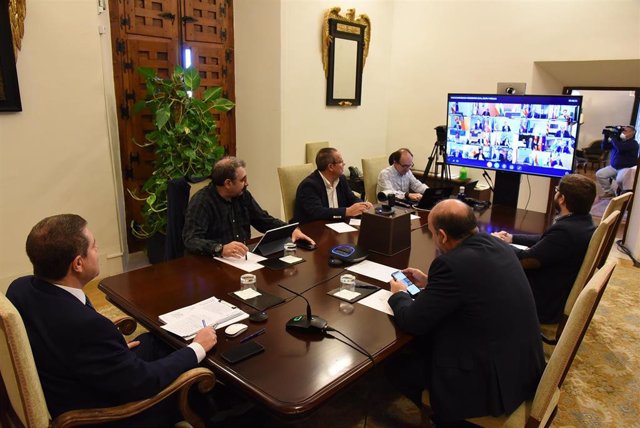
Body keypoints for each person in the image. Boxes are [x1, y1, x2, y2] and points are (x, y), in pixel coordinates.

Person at [6, 214, 218, 426]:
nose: (98, 252)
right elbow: (145, 382)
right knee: (207, 387)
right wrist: (198, 347)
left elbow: (60, 340)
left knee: (157, 341)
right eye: (94, 247)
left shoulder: (20, 288)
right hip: (107, 412)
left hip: (75, 374)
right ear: (78, 263)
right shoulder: (87, 326)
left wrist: (104, 353)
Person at [387, 199, 544, 423]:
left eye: (431, 234)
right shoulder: (498, 245)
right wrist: (431, 282)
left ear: (442, 235)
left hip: (488, 383)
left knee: (396, 364)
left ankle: (443, 419)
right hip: (522, 366)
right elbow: (477, 284)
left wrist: (399, 294)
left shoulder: (451, 264)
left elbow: (413, 321)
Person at [492, 174, 596, 323]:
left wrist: (497, 243)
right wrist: (511, 238)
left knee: (489, 267)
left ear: (562, 199)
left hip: (541, 302)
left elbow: (526, 260)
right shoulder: (583, 223)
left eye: (557, 190)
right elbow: (546, 240)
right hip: (554, 288)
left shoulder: (565, 232)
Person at [183, 156, 314, 257]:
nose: (247, 183)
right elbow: (191, 239)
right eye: (242, 180)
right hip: (213, 264)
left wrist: (290, 229)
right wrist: (220, 248)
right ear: (228, 183)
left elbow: (263, 220)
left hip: (243, 259)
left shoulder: (242, 195)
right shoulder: (202, 202)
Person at [293, 147, 371, 223]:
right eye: (340, 161)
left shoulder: (341, 179)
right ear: (331, 167)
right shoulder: (309, 185)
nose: (344, 164)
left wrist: (362, 205)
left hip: (338, 226)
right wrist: (346, 212)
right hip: (313, 229)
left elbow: (352, 198)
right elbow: (317, 212)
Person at [595, 125, 639, 198]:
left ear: (632, 133)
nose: (622, 132)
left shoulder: (634, 143)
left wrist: (613, 137)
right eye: (622, 130)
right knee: (600, 174)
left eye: (625, 131)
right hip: (614, 167)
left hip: (626, 168)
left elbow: (620, 148)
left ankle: (625, 195)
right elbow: (604, 147)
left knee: (619, 180)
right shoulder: (618, 141)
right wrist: (606, 137)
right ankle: (609, 192)